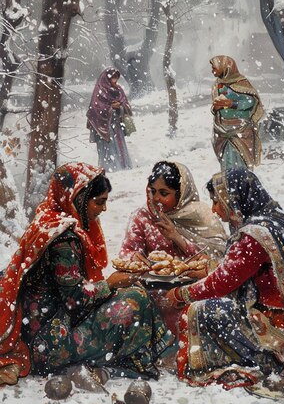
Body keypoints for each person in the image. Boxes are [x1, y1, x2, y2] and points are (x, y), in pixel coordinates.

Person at [165, 168, 284, 394]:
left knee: (198, 311)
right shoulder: (274, 220)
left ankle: (256, 360)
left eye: (216, 202)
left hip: (279, 324)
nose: (214, 210)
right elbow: (240, 270)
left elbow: (223, 283)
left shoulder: (254, 235)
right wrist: (207, 269)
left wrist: (180, 294)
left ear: (232, 199)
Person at [0, 162, 173, 386]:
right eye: (99, 202)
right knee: (135, 300)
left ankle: (148, 357)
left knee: (132, 293)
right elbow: (75, 299)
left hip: (44, 329)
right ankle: (144, 359)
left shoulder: (48, 221)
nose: (103, 209)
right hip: (49, 343)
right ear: (78, 198)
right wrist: (111, 284)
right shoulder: (64, 240)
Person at [118, 160, 227, 335]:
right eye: (153, 191)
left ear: (181, 193)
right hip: (153, 289)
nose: (156, 199)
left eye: (164, 193)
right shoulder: (143, 217)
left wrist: (176, 237)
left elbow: (218, 259)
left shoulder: (201, 216)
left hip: (194, 288)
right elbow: (126, 253)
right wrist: (135, 259)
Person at [210, 55, 264, 170]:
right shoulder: (218, 84)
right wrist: (216, 107)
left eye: (215, 68)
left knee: (240, 159)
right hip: (222, 130)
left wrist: (231, 104)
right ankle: (228, 180)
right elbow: (215, 107)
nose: (213, 71)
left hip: (241, 129)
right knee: (227, 160)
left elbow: (250, 101)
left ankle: (241, 181)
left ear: (226, 67)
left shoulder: (241, 82)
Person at [87, 67, 133, 172]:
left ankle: (122, 164)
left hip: (116, 124)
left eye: (116, 78)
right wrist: (110, 108)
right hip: (104, 125)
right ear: (106, 79)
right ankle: (110, 167)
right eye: (113, 78)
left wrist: (120, 106)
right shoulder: (100, 91)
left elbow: (126, 105)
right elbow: (96, 108)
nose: (115, 80)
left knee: (119, 145)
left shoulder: (118, 89)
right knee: (108, 146)